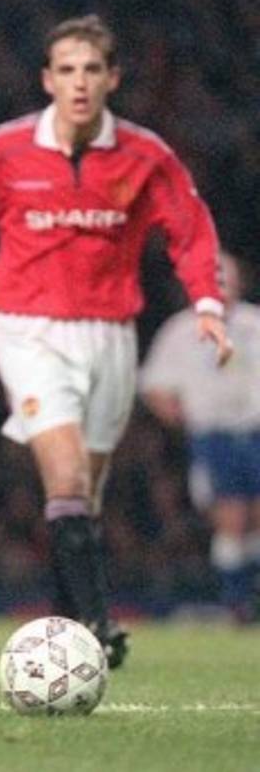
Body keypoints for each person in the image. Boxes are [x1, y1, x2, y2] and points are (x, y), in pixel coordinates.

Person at [0, 14, 233, 667]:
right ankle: (98, 625)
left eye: (92, 69)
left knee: (82, 496)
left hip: (111, 335)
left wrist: (207, 302)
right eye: (67, 69)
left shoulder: (145, 154)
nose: (80, 82)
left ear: (112, 78)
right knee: (64, 475)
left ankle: (66, 632)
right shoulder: (6, 151)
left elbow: (189, 229)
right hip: (29, 331)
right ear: (48, 79)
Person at [141, 252, 260, 623]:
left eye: (228, 277)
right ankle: (236, 601)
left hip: (255, 431)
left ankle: (249, 596)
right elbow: (154, 386)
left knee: (256, 517)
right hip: (214, 435)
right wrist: (183, 418)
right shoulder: (180, 330)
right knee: (231, 516)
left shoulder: (254, 324)